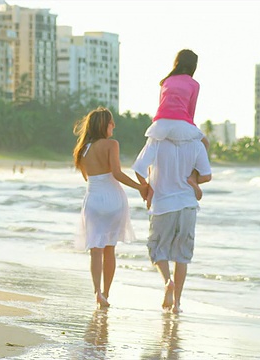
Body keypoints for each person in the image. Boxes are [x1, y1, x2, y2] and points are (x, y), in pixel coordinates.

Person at [132, 116, 212, 314]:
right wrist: (193, 181)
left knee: (157, 249)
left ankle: (168, 282)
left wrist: (146, 189)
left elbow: (139, 169)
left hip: (163, 204)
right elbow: (207, 175)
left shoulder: (156, 140)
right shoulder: (196, 143)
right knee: (182, 255)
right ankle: (177, 303)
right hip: (187, 205)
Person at [73, 107, 148, 308]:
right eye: (111, 122)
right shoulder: (111, 144)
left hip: (93, 200)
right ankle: (106, 293)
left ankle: (97, 292)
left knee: (95, 250)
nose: (113, 126)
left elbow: (88, 178)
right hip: (113, 199)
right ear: (103, 125)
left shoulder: (83, 149)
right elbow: (116, 173)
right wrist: (140, 187)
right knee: (109, 249)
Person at [145, 49, 209, 202]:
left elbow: (161, 105)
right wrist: (189, 133)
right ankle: (193, 177)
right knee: (204, 143)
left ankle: (150, 183)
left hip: (159, 124)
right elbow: (190, 111)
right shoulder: (194, 84)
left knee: (153, 149)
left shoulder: (165, 81)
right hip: (181, 121)